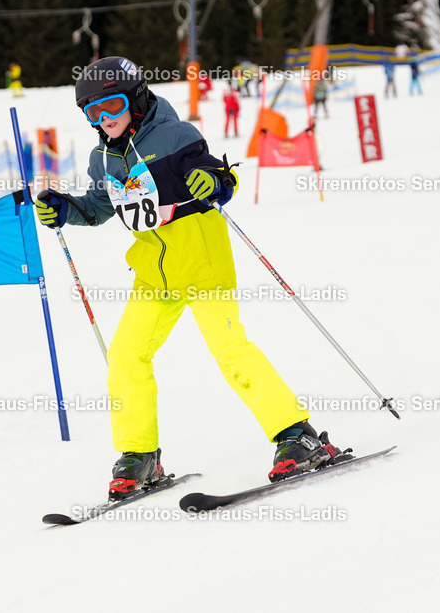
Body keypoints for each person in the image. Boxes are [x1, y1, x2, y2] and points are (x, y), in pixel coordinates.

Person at [34, 56, 345, 500]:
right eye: (92, 113)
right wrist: (66, 208)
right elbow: (99, 207)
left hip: (202, 266)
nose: (105, 120)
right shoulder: (102, 158)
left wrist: (212, 182)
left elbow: (221, 177)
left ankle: (297, 435)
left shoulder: (176, 136)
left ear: (137, 99)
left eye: (112, 106)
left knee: (229, 349)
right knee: (126, 355)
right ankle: (140, 454)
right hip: (153, 276)